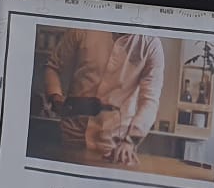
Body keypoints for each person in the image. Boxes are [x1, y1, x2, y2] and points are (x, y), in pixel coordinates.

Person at [39, 28, 163, 167]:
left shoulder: (150, 44)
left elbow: (149, 100)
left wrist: (130, 140)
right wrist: (55, 96)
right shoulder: (83, 28)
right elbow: (52, 66)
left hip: (115, 145)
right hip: (71, 134)